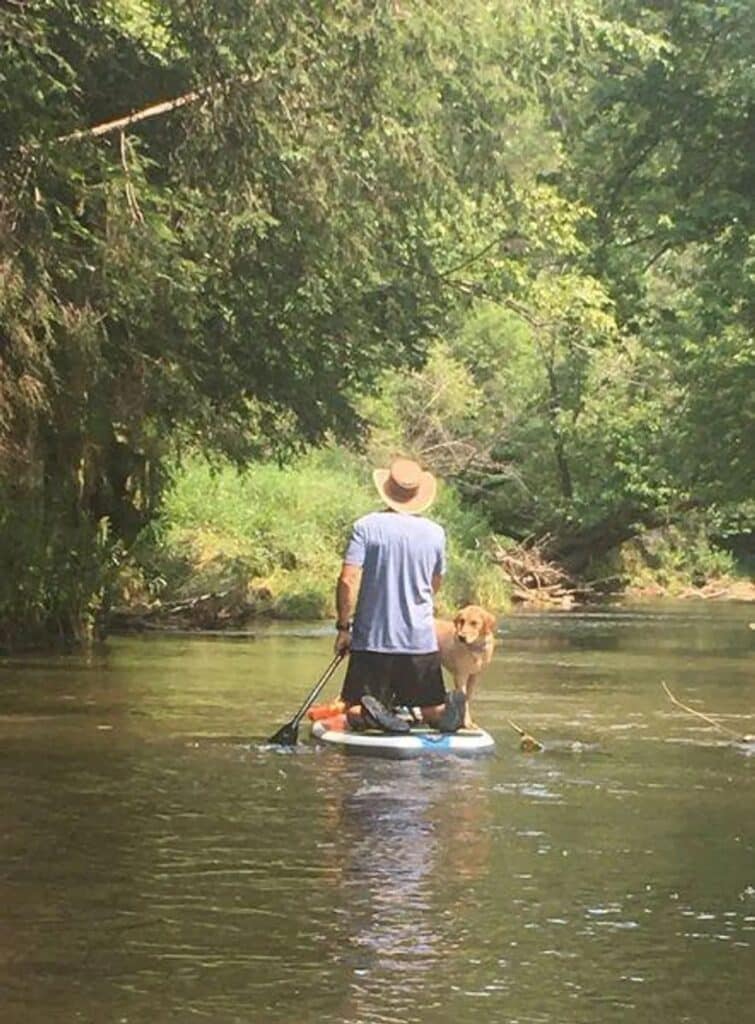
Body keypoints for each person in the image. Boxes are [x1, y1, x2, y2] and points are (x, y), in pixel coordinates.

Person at [333, 456, 465, 734]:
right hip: (420, 640)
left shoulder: (366, 526)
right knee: (430, 706)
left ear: (387, 491)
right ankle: (443, 714)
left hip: (373, 640)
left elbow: (348, 580)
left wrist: (344, 627)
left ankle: (372, 716)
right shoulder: (435, 533)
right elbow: (435, 583)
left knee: (353, 709)